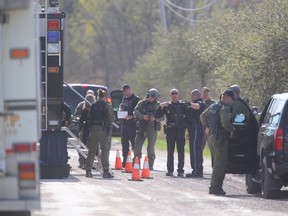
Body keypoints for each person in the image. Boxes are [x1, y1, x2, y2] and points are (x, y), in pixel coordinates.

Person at [200, 89, 235, 195]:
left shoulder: (213, 106)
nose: (231, 101)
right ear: (227, 98)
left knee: (216, 162)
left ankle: (216, 186)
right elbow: (224, 122)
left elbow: (202, 116)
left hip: (211, 137)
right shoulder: (224, 108)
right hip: (219, 138)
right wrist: (231, 129)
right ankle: (214, 187)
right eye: (231, 99)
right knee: (220, 164)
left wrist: (206, 127)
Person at [155, 89, 187, 177]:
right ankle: (170, 170)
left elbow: (188, 117)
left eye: (176, 93)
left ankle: (180, 171)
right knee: (170, 151)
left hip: (180, 131)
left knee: (181, 151)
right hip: (170, 131)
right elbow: (157, 115)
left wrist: (187, 129)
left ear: (178, 95)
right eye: (172, 94)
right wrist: (161, 106)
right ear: (170, 95)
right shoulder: (167, 106)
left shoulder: (183, 105)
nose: (174, 95)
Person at [85, 89, 115, 179]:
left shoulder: (93, 105)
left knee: (92, 151)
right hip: (103, 130)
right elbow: (111, 119)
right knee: (105, 150)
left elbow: (89, 118)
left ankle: (88, 171)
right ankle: (105, 171)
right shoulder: (107, 106)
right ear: (105, 97)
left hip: (93, 130)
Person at [133, 88, 162, 170]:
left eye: (153, 97)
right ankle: (136, 163)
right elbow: (135, 111)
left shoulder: (158, 105)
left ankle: (150, 164)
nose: (151, 98)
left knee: (150, 148)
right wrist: (142, 116)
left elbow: (163, 116)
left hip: (152, 128)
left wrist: (155, 119)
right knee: (137, 146)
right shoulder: (142, 103)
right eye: (150, 96)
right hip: (142, 127)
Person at [185, 89, 207, 178]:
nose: (191, 97)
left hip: (198, 129)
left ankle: (198, 171)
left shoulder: (201, 103)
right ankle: (195, 170)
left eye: (192, 96)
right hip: (193, 130)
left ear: (196, 96)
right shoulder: (193, 104)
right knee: (194, 150)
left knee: (196, 149)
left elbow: (198, 106)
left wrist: (189, 104)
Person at [119, 84, 140, 167]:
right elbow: (122, 107)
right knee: (124, 144)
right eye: (123, 91)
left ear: (129, 89)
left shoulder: (136, 100)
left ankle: (136, 162)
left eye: (125, 91)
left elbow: (139, 112)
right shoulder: (124, 99)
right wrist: (120, 110)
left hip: (133, 124)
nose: (124, 93)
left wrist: (131, 116)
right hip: (124, 124)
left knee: (134, 144)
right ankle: (125, 161)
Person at [74, 89, 95, 168]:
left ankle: (92, 163)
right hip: (84, 128)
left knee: (93, 145)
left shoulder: (96, 105)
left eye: (91, 95)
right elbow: (77, 115)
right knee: (82, 144)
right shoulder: (81, 105)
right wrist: (78, 119)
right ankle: (82, 162)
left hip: (93, 129)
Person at [201, 87, 215, 151]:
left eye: (207, 92)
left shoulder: (213, 103)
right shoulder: (199, 103)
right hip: (201, 127)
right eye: (204, 92)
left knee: (213, 148)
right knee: (200, 147)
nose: (205, 94)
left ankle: (214, 161)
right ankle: (199, 160)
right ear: (202, 93)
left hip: (210, 128)